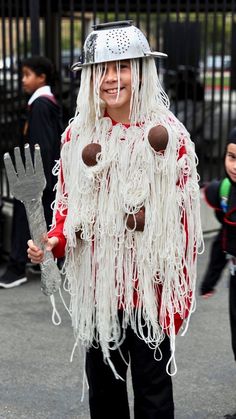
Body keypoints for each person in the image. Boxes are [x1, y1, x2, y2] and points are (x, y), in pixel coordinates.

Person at [27, 21, 202, 419]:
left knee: (154, 391)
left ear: (141, 71)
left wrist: (179, 293)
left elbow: (186, 225)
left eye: (122, 66)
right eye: (102, 69)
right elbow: (68, 206)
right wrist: (54, 241)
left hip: (150, 291)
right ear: (90, 77)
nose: (111, 79)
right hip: (99, 288)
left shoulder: (169, 134)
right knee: (104, 390)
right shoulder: (77, 136)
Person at [0, 56, 62, 289]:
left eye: (27, 75)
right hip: (42, 177)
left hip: (36, 178)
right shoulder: (44, 103)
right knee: (42, 222)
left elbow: (43, 146)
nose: (23, 80)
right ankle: (36, 263)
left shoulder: (41, 104)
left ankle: (17, 268)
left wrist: (39, 181)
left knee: (27, 220)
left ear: (41, 77)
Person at [200, 127, 236, 419]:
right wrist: (210, 280)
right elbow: (223, 241)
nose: (234, 165)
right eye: (231, 156)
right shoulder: (224, 191)